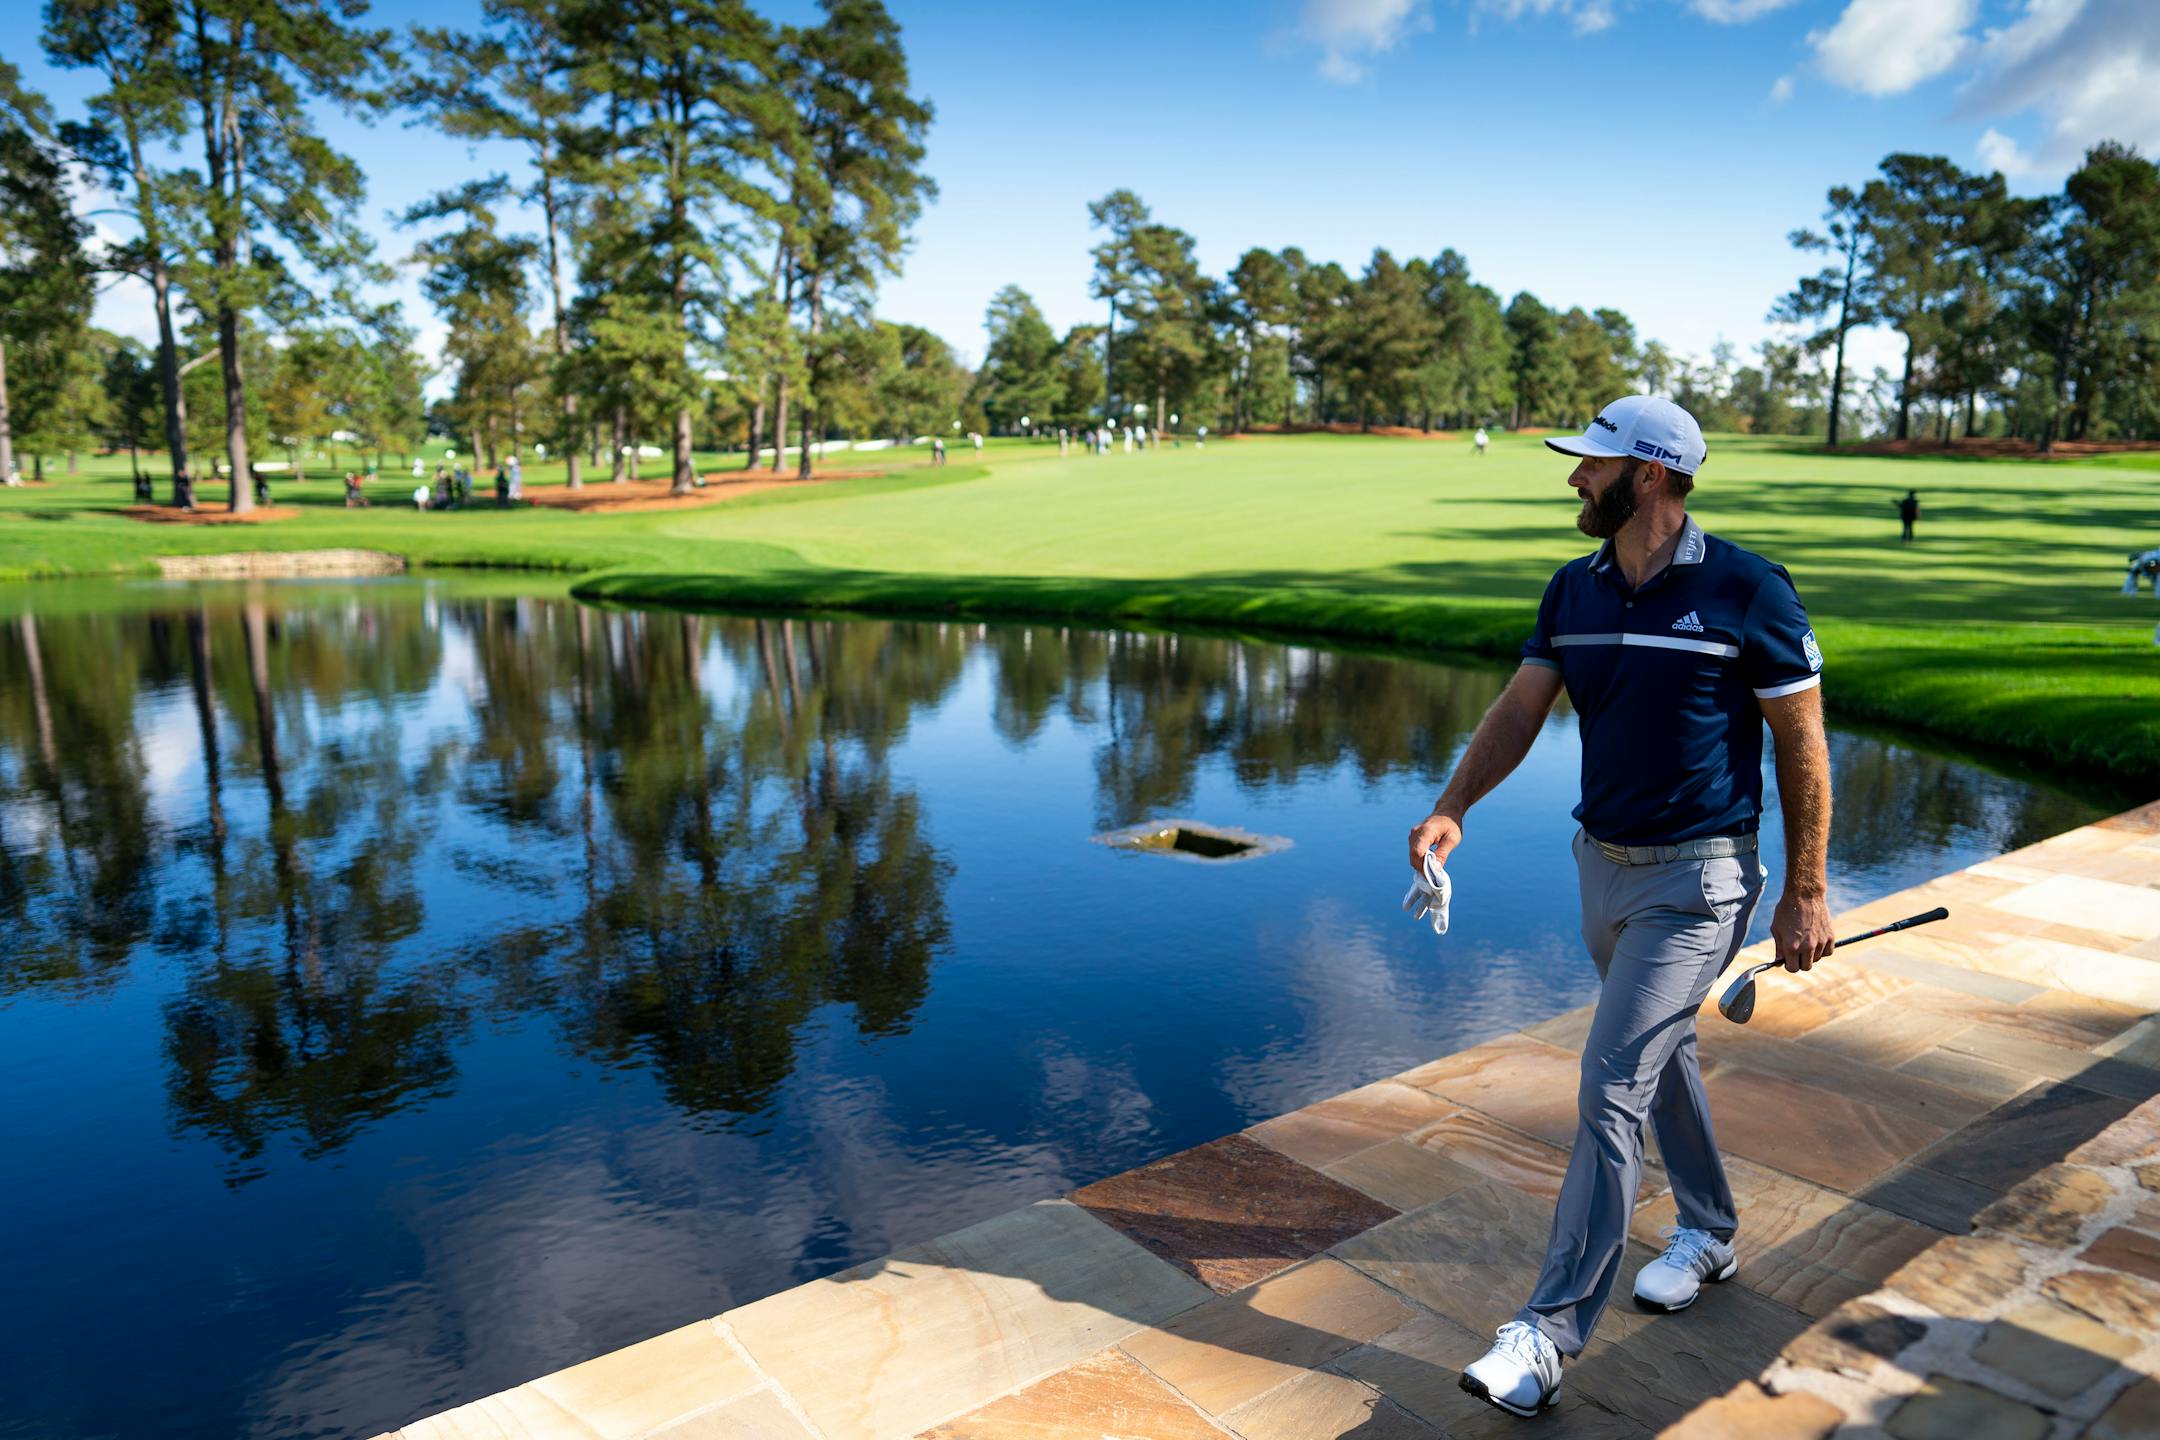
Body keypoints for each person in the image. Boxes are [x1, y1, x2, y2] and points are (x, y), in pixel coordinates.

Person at [1410, 395, 1832, 1419]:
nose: (1573, 479)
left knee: (1609, 1081)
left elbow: (1802, 743)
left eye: (1591, 465)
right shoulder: (1575, 589)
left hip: (1701, 883)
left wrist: (1808, 886)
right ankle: (1712, 1229)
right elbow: (1521, 708)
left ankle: (1546, 1337)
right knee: (1659, 1052)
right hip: (1600, 868)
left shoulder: (1748, 589)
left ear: (1648, 475)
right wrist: (1453, 804)